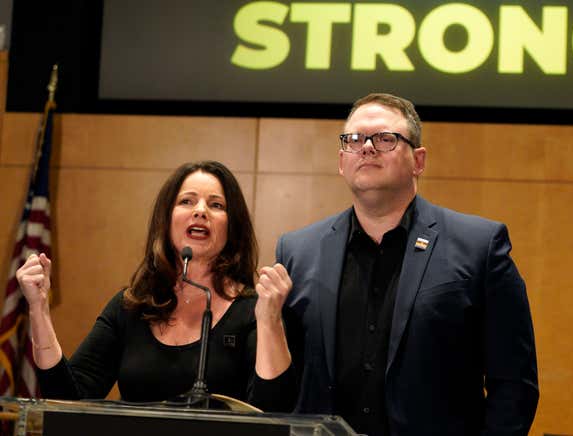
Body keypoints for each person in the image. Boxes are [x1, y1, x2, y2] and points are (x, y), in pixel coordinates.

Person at [277, 93, 539, 435]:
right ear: (342, 161)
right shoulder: (298, 252)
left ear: (419, 160)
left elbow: (514, 385)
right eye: (354, 140)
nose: (367, 147)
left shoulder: (479, 246)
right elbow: (283, 384)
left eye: (385, 139)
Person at [17, 160, 296, 412]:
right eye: (187, 201)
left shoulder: (253, 312)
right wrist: (39, 309)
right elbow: (67, 400)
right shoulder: (131, 307)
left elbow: (273, 412)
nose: (200, 211)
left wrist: (270, 320)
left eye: (216, 205)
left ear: (232, 227)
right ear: (166, 220)